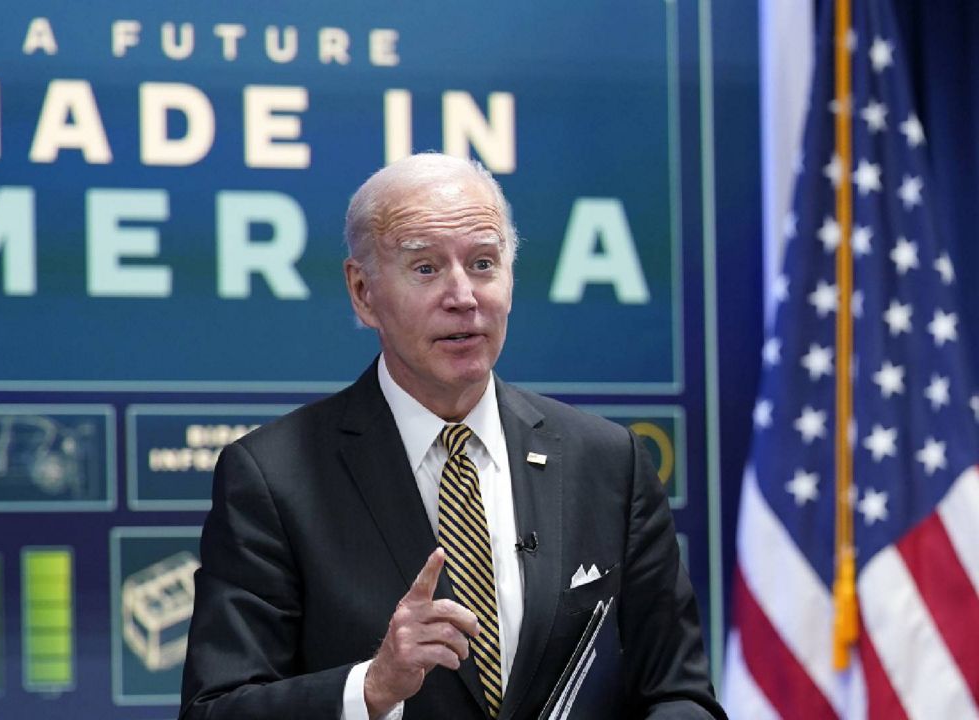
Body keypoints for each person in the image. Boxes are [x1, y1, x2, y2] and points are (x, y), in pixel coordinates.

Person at [179, 153, 726, 719]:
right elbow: (214, 710)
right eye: (426, 269)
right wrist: (372, 687)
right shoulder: (275, 477)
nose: (464, 296)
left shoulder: (608, 462)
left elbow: (678, 695)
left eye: (484, 263)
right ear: (363, 291)